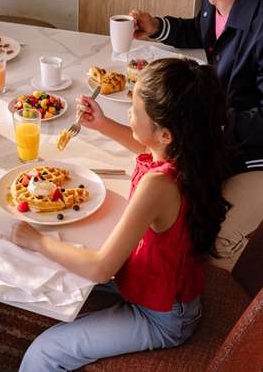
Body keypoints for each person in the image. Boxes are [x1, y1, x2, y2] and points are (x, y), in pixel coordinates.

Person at [13, 58, 232, 371]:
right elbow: (146, 148)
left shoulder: (159, 185)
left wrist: (37, 241)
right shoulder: (190, 155)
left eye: (135, 110)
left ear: (165, 134)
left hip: (162, 317)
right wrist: (102, 124)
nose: (129, 114)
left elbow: (101, 269)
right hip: (154, 282)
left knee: (45, 351)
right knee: (56, 269)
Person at [130, 0, 263, 270]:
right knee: (145, 162)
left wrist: (204, 120)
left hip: (254, 150)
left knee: (211, 241)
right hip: (222, 130)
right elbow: (202, 32)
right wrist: (158, 27)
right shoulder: (214, 1)